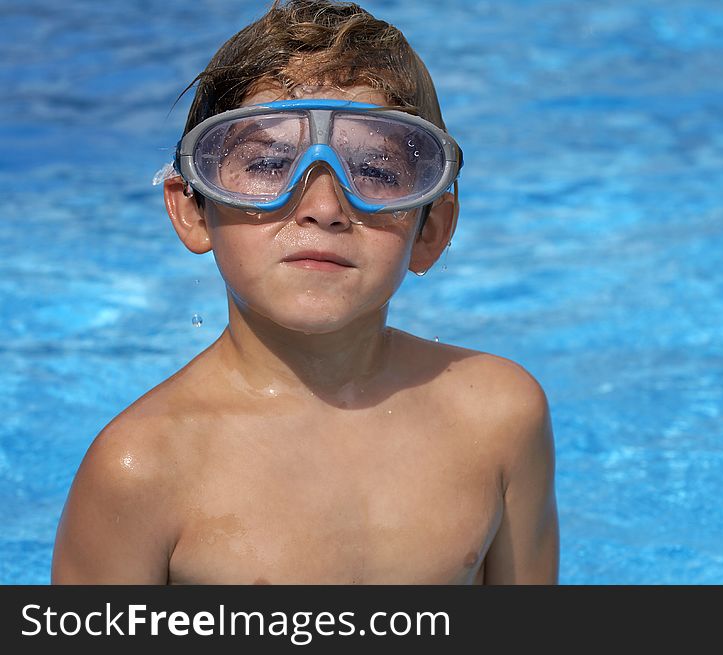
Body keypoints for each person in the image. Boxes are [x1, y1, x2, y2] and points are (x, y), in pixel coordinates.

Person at [52, 0, 558, 584]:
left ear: (433, 231)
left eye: (377, 172)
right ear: (192, 211)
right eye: (270, 164)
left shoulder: (498, 418)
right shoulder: (142, 469)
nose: (323, 208)